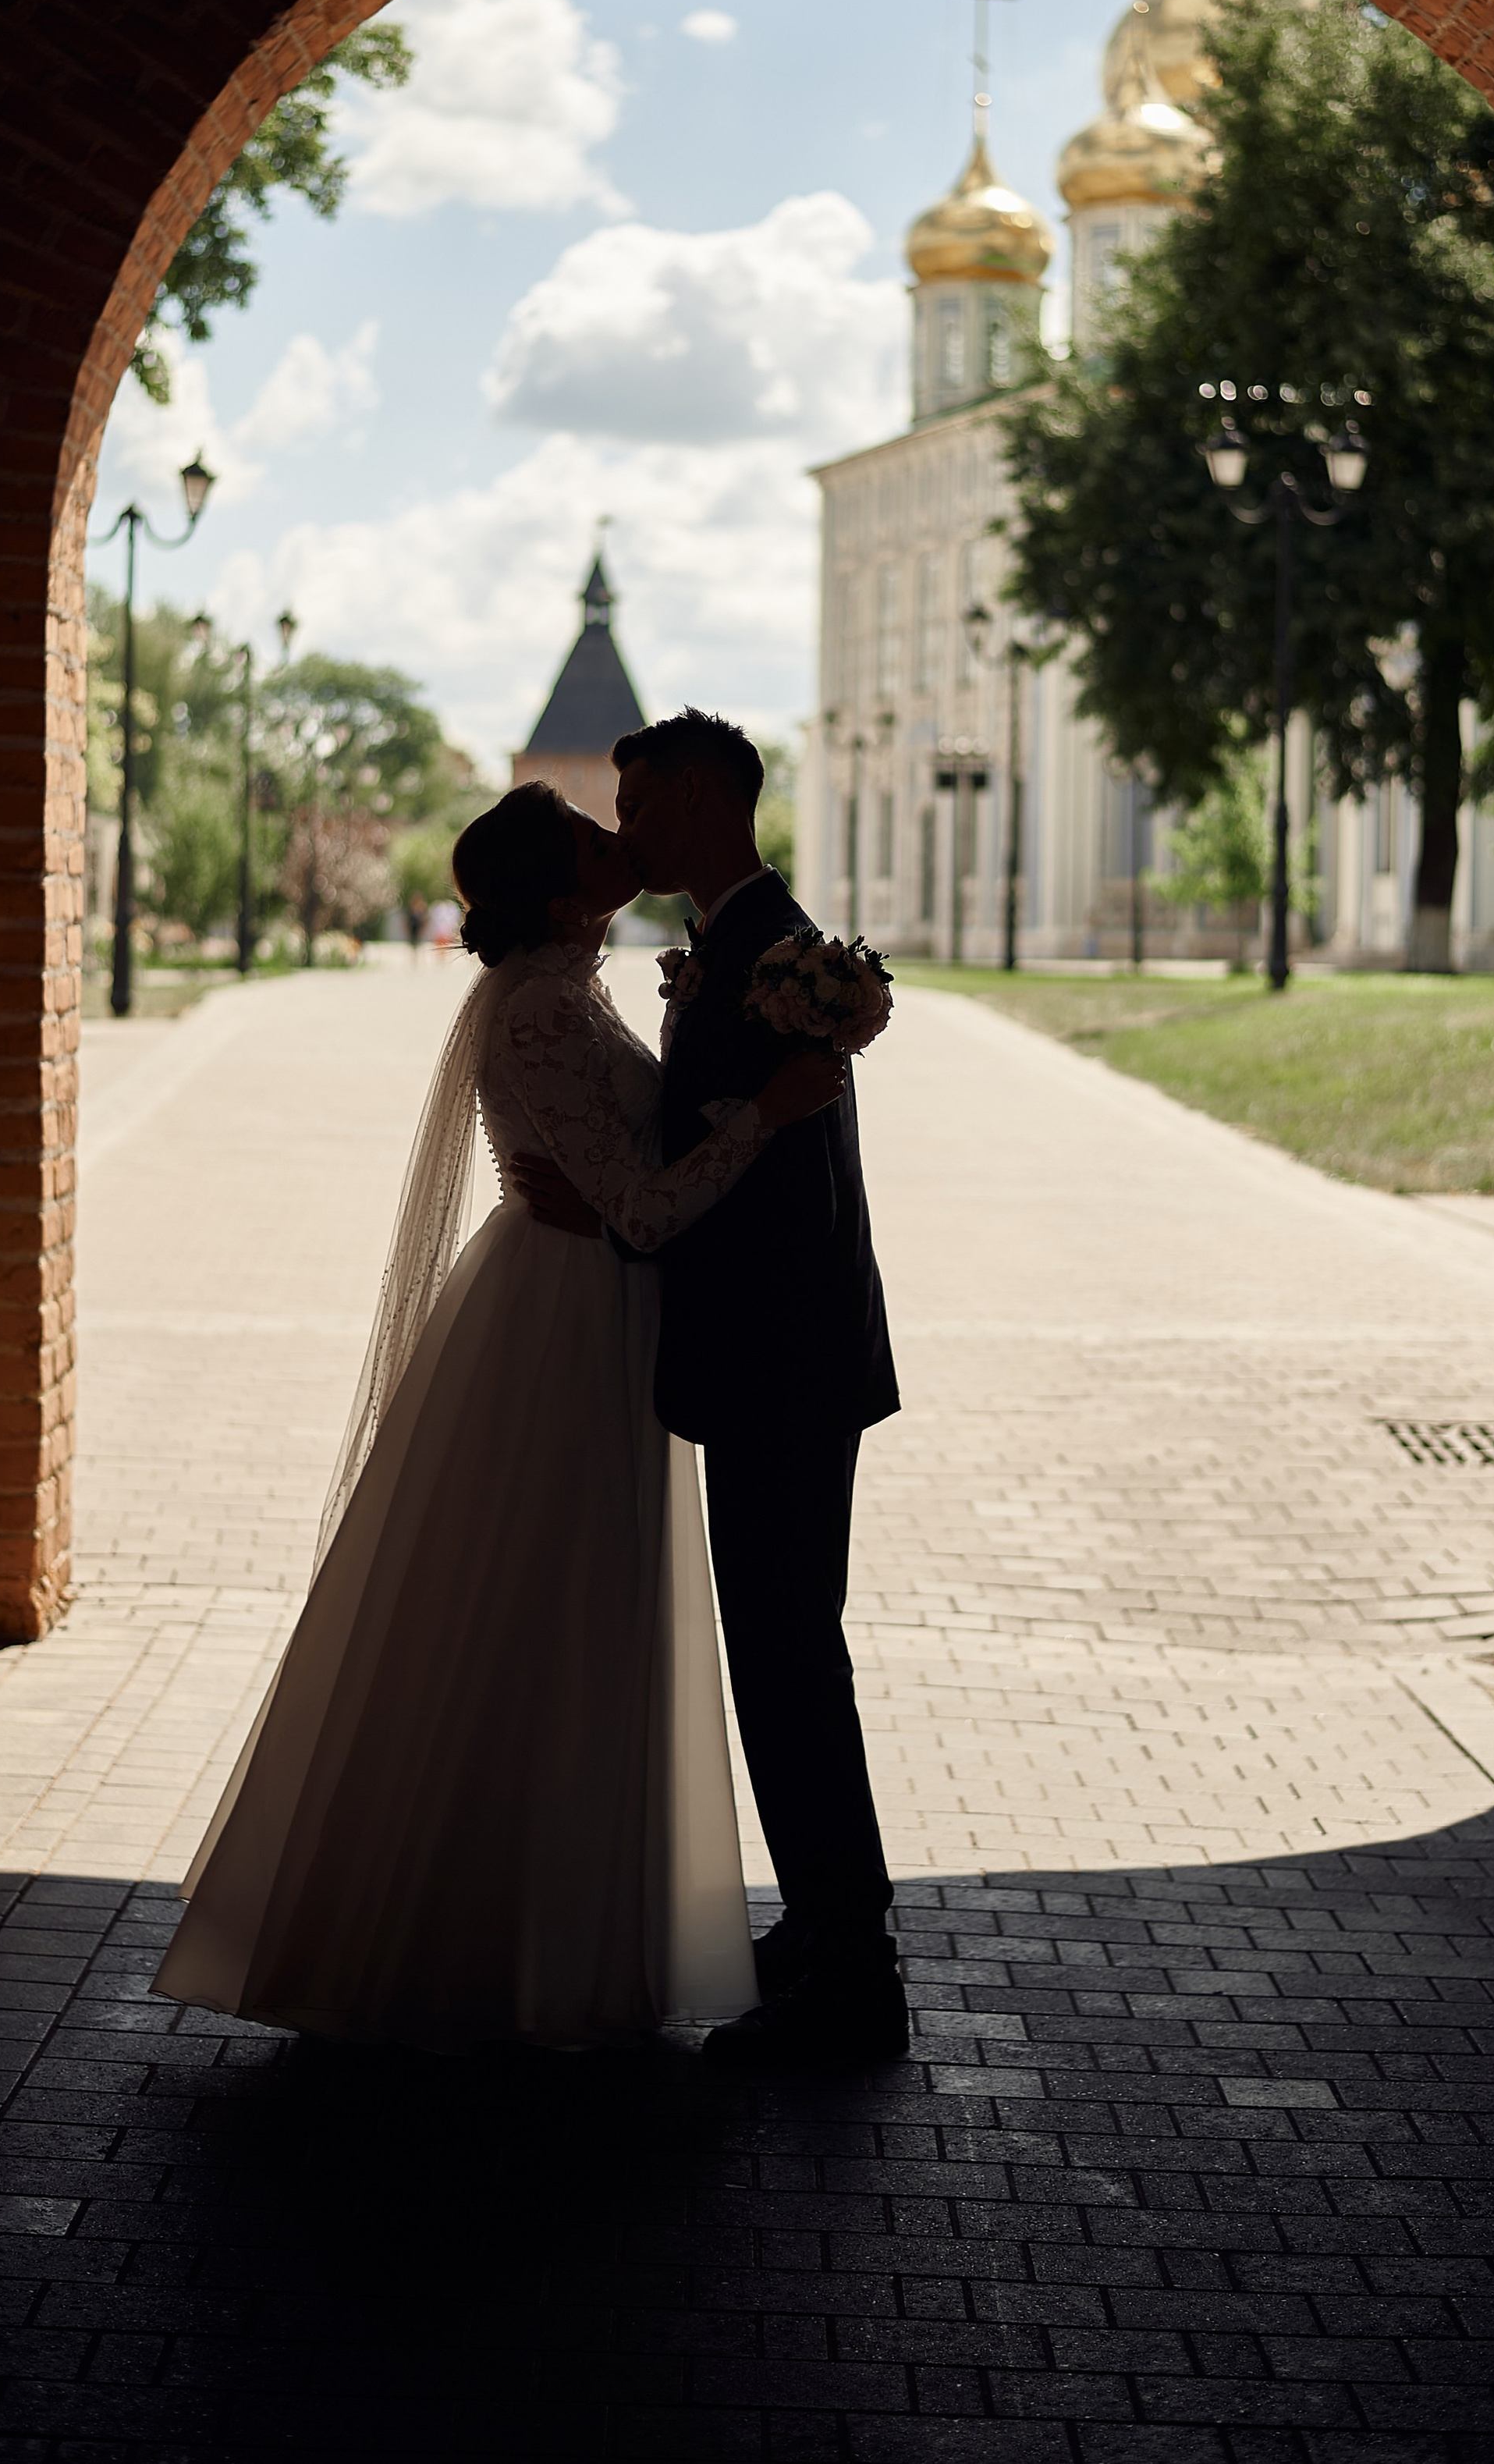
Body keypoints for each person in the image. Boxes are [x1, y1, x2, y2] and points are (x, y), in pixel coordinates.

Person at [151, 780, 846, 2050]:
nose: (619, 835)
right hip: (562, 1330)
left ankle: (565, 1930)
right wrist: (769, 1111)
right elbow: (638, 1209)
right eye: (594, 831)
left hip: (597, 1311)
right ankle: (501, 1947)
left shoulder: (569, 988)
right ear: (565, 887)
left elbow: (619, 1181)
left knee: (570, 1614)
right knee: (546, 1608)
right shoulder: (535, 1010)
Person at [511, 708, 906, 2069]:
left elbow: (776, 1165)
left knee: (792, 1653)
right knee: (785, 1651)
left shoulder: (776, 949)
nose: (625, 830)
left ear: (695, 797)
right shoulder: (752, 942)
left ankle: (853, 1964)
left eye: (637, 802)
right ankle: (827, 1921)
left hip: (781, 1357)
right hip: (777, 1352)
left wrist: (639, 1197)